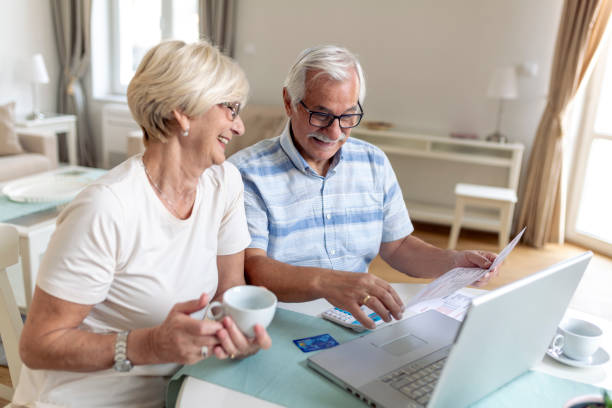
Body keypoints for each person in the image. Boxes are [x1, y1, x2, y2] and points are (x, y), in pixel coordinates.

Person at [12, 40, 271, 408]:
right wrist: (149, 345)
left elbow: (229, 294)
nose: (240, 126)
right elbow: (38, 346)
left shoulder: (224, 183)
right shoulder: (107, 208)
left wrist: (236, 335)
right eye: (230, 109)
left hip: (177, 390)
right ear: (182, 110)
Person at [229, 45, 499, 329]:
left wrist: (453, 262)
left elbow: (398, 247)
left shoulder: (373, 162)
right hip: (279, 323)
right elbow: (254, 268)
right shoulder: (246, 174)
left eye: (347, 116)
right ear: (289, 102)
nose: (334, 133)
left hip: (356, 323)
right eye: (320, 115)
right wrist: (329, 283)